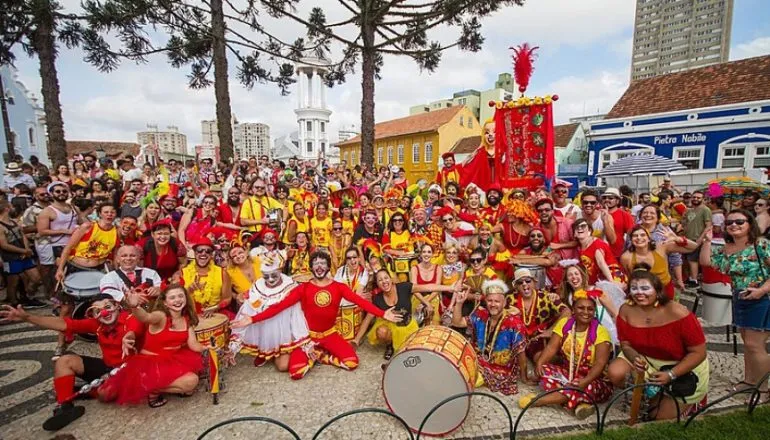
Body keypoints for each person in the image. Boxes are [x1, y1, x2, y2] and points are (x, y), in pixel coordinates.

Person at [231, 251, 402, 380]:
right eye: (316, 263)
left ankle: (321, 355)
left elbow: (361, 302)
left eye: (323, 263)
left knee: (352, 363)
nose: (319, 266)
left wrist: (383, 313)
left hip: (330, 334)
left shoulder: (339, 287)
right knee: (296, 373)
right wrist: (252, 319)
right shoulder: (302, 288)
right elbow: (278, 307)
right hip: (307, 339)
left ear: (328, 267)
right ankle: (314, 353)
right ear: (311, 267)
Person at [0, 295, 143, 431]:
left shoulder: (130, 317)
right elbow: (64, 324)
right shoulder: (96, 324)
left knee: (105, 395)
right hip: (108, 368)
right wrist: (27, 317)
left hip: (130, 370)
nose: (104, 312)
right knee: (65, 361)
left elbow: (135, 328)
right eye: (97, 311)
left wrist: (129, 337)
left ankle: (88, 391)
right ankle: (65, 406)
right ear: (93, 315)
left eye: (107, 306)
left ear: (117, 307)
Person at [608, 268, 709, 420]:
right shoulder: (626, 310)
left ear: (657, 290)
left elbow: (699, 352)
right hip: (645, 358)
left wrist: (671, 374)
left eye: (645, 288)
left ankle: (694, 402)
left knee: (657, 417)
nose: (639, 293)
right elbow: (626, 343)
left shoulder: (677, 312)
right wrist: (634, 357)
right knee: (615, 372)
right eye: (634, 288)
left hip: (679, 365)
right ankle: (651, 393)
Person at [701, 209, 770, 402]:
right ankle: (749, 381)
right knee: (747, 344)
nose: (734, 225)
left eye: (740, 221)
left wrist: (762, 290)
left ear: (750, 224)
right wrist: (707, 240)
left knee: (755, 345)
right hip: (740, 298)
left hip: (762, 298)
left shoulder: (761, 244)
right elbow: (706, 262)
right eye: (729, 222)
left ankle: (764, 389)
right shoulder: (727, 248)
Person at [100, 285, 204, 407]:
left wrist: (209, 347)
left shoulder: (186, 319)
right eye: (172, 297)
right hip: (151, 363)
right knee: (192, 382)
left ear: (186, 298)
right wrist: (135, 306)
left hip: (173, 359)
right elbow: (145, 317)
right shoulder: (160, 316)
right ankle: (151, 387)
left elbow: (193, 344)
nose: (177, 300)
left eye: (181, 296)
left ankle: (154, 387)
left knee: (190, 386)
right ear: (165, 302)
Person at [520, 289, 613, 419]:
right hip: (568, 372)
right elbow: (552, 347)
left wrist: (585, 381)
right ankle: (579, 404)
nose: (585, 312)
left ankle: (538, 401)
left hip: (594, 379)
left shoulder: (601, 332)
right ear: (573, 309)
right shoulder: (565, 324)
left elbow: (600, 364)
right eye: (581, 308)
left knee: (584, 387)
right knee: (544, 371)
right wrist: (540, 363)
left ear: (594, 311)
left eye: (590, 309)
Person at [228, 256, 310, 369]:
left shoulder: (291, 287)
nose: (270, 279)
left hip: (284, 332)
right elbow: (249, 308)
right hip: (263, 329)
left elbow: (279, 309)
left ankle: (276, 351)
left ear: (280, 271)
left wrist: (252, 319)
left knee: (283, 366)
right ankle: (264, 349)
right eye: (266, 276)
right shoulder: (258, 286)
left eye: (274, 275)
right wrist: (234, 345)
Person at [451, 279, 528, 395]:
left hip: (499, 369)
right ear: (485, 301)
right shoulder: (481, 315)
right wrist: (459, 303)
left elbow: (521, 352)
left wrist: (524, 376)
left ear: (504, 302)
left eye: (497, 301)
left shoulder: (514, 323)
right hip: (478, 359)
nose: (493, 304)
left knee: (466, 379)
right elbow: (457, 322)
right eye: (489, 300)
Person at [621, 225, 699, 300]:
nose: (639, 238)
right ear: (631, 240)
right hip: (643, 295)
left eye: (642, 235)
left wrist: (678, 239)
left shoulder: (661, 247)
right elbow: (629, 278)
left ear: (649, 238)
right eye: (635, 236)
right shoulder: (626, 257)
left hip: (665, 291)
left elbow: (693, 247)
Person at [357, 270, 421, 360]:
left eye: (386, 278)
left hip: (407, 325)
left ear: (390, 279)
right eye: (380, 280)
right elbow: (367, 319)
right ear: (378, 284)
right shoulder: (377, 299)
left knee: (413, 351)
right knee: (381, 331)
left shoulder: (403, 287)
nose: (384, 281)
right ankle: (389, 345)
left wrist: (447, 287)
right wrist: (356, 339)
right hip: (389, 325)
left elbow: (427, 287)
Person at [510, 268, 570, 362]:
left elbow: (567, 312)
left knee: (540, 358)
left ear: (534, 283)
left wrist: (551, 330)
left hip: (540, 338)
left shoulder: (546, 296)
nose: (524, 284)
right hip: (517, 339)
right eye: (520, 282)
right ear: (516, 287)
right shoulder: (510, 299)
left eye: (528, 281)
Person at [0, 199, 44, 308]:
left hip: (24, 255)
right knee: (13, 283)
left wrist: (26, 249)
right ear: (7, 209)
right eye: (11, 206)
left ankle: (27, 297)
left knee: (36, 278)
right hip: (10, 257)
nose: (13, 208)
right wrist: (23, 251)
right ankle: (13, 303)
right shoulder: (0, 226)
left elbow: (22, 235)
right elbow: (4, 245)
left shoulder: (14, 222)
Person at [181, 237, 233, 318]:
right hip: (189, 315)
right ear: (194, 253)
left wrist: (214, 308)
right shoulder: (182, 273)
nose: (203, 253)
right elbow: (174, 299)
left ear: (212, 254)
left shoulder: (222, 273)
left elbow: (227, 298)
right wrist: (188, 290)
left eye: (208, 251)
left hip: (215, 313)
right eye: (200, 251)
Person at [638, 204, 685, 291]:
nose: (648, 215)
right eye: (645, 212)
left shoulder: (665, 231)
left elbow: (675, 257)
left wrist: (679, 279)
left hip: (661, 278)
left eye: (652, 213)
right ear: (640, 216)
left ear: (658, 217)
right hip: (639, 279)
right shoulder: (634, 231)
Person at [573, 218, 626, 287]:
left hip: (611, 276)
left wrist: (611, 282)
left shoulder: (596, 243)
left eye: (583, 226)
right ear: (574, 234)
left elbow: (601, 263)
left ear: (589, 230)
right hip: (598, 280)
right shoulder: (579, 248)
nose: (580, 228)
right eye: (577, 227)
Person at [335, 247, 370, 342]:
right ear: (346, 260)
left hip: (355, 306)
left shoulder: (364, 272)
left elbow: (358, 294)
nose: (352, 260)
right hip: (341, 305)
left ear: (359, 258)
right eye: (349, 258)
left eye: (354, 257)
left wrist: (350, 296)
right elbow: (335, 291)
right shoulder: (341, 271)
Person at [682, 190, 711, 288]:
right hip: (687, 238)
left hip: (696, 238)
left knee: (692, 260)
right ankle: (690, 278)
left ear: (702, 199)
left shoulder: (705, 210)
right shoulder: (689, 210)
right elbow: (685, 223)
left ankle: (694, 280)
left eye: (698, 197)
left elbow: (708, 226)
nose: (696, 199)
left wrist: (700, 238)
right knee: (687, 260)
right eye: (694, 197)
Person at [461, 119, 497, 191]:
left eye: (494, 131)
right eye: (487, 132)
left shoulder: (502, 152)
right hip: (483, 188)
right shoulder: (480, 152)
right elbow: (470, 168)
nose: (490, 134)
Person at [603, 187, 635, 259]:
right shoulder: (597, 214)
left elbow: (632, 234)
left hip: (618, 254)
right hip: (600, 254)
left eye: (610, 198)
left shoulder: (624, 215)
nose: (606, 200)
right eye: (604, 198)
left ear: (617, 201)